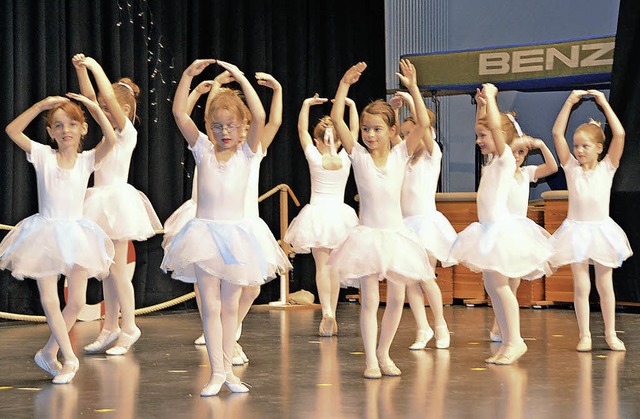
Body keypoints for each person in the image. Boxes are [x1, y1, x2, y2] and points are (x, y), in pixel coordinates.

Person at [163, 59, 289, 396]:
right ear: (208, 126)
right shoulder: (202, 149)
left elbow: (263, 118)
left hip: (237, 236)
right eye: (217, 126)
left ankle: (229, 371)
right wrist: (188, 75)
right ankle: (217, 371)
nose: (224, 133)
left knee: (231, 305)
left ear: (243, 127)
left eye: (231, 126)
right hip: (204, 235)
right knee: (211, 304)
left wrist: (242, 79)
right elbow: (179, 114)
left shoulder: (248, 153)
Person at [328, 60, 434, 379]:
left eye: (377, 129)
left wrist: (414, 87)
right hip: (367, 237)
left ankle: (384, 352)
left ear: (391, 131)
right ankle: (371, 360)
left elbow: (424, 127)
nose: (370, 135)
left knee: (398, 297)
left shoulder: (401, 154)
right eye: (365, 129)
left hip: (396, 235)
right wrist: (345, 83)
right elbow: (335, 118)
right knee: (370, 299)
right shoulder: (358, 156)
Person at [1, 94, 116, 384]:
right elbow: (12, 131)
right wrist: (40, 106)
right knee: (49, 297)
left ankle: (49, 352)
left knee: (76, 302)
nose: (66, 130)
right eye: (59, 125)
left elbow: (112, 140)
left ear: (83, 129)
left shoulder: (87, 160)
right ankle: (70, 357)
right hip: (45, 233)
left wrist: (92, 108)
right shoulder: (42, 155)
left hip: (76, 233)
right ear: (51, 133)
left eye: (72, 124)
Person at [448, 84, 552, 365]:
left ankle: (514, 340)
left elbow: (494, 127)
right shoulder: (493, 161)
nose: (479, 140)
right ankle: (507, 339)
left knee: (501, 287)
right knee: (493, 288)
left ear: (500, 137)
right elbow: (487, 125)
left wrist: (492, 99)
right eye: (478, 136)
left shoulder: (506, 159)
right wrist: (481, 106)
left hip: (501, 230)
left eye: (483, 136)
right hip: (488, 230)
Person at [71, 54, 162, 356]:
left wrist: (96, 65)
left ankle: (130, 326)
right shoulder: (107, 135)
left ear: (123, 110)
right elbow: (90, 99)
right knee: (108, 270)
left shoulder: (127, 132)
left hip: (118, 202)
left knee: (119, 272)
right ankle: (110, 326)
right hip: (99, 201)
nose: (101, 111)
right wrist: (81, 70)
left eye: (107, 108)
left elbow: (105, 96)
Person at [550, 89, 632, 352]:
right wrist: (569, 102)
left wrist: (604, 103)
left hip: (601, 231)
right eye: (576, 146)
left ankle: (610, 334)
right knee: (581, 284)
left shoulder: (608, 166)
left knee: (604, 284)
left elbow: (619, 134)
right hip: (576, 231)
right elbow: (556, 134)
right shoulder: (571, 167)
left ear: (599, 148)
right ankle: (584, 334)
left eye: (585, 146)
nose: (579, 150)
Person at [284, 94, 359, 337]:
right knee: (335, 268)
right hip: (340, 216)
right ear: (339, 140)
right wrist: (351, 106)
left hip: (317, 214)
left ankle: (327, 312)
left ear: (318, 139)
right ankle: (332, 313)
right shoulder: (346, 157)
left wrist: (305, 104)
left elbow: (300, 130)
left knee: (322, 266)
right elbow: (354, 132)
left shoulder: (314, 157)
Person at [389, 91, 456, 350]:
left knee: (426, 277)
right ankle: (422, 328)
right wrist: (395, 112)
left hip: (426, 224)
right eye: (404, 135)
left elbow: (423, 127)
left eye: (410, 133)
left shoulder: (432, 154)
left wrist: (410, 99)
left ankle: (440, 326)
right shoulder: (404, 159)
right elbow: (393, 137)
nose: (406, 139)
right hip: (405, 225)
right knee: (409, 281)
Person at [488, 117, 558, 343]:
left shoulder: (527, 172)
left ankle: (505, 325)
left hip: (519, 230)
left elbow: (553, 167)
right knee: (500, 279)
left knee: (514, 281)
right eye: (514, 152)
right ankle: (498, 324)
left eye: (521, 153)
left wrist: (541, 145)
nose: (517, 157)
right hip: (502, 228)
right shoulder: (500, 169)